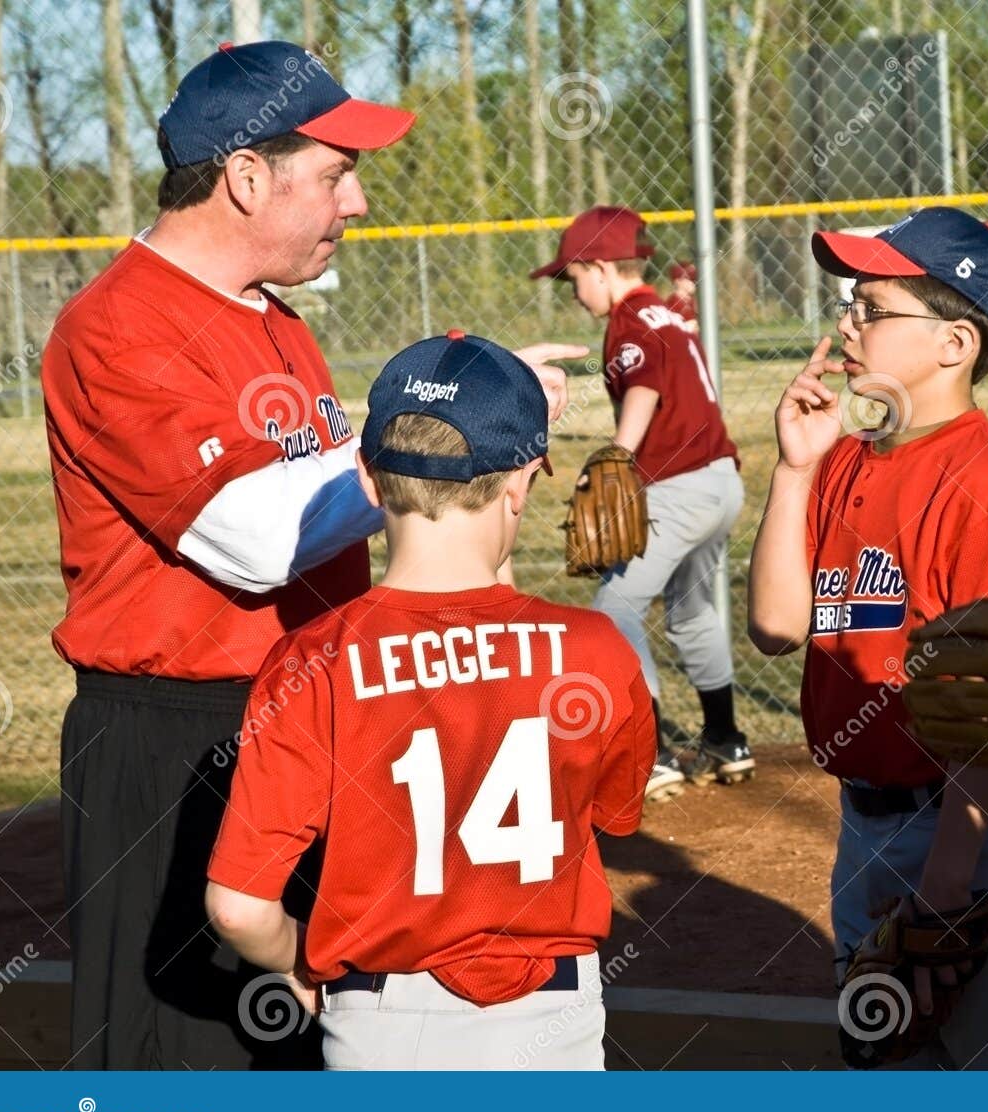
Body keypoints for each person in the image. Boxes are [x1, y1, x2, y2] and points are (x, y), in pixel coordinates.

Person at [41, 40, 578, 1069]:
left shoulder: (276, 322)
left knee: (305, 1036)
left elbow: (336, 506)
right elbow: (251, 539)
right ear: (246, 175)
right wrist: (434, 436)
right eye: (335, 171)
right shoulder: (118, 326)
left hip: (304, 712)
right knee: (185, 1060)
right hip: (177, 743)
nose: (360, 201)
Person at [205, 331, 653, 1070]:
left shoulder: (310, 659)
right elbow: (614, 811)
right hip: (555, 1019)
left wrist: (298, 963)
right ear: (520, 484)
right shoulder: (595, 648)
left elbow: (237, 907)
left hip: (382, 1021)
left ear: (369, 482)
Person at [747, 207, 988, 1068]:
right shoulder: (845, 455)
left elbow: (985, 717)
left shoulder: (984, 487)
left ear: (953, 343)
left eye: (872, 307)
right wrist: (795, 468)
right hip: (863, 818)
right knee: (886, 1069)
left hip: (959, 824)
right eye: (850, 302)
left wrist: (944, 895)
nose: (847, 322)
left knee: (976, 1073)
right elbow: (775, 625)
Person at [532, 206, 749, 795]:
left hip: (678, 488)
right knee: (691, 610)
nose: (573, 291)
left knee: (614, 611)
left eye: (574, 276)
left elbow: (646, 383)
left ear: (602, 267)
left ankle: (647, 753)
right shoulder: (664, 312)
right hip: (721, 482)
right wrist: (683, 291)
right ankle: (726, 739)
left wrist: (617, 457)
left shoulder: (629, 319)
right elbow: (679, 330)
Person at [665, 261, 699, 331]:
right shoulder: (672, 303)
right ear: (678, 281)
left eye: (695, 279)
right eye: (690, 279)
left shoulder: (693, 302)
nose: (694, 282)